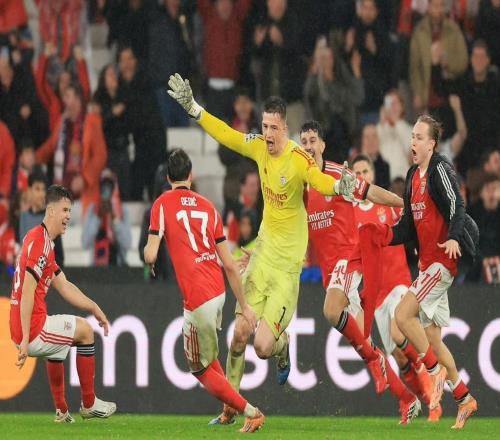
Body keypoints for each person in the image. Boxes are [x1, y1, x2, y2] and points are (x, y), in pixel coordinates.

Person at [167, 73, 357, 424]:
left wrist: (339, 187)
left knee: (263, 346)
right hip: (264, 256)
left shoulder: (298, 158)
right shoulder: (258, 147)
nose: (267, 134)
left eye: (273, 128)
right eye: (264, 126)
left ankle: (283, 349)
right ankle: (229, 409)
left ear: (285, 128)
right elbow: (227, 134)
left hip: (287, 268)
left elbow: (319, 181)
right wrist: (194, 109)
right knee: (239, 334)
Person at [299, 121, 422, 425]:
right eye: (304, 142)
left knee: (331, 311)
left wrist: (404, 203)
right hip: (330, 271)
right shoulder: (301, 185)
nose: (308, 146)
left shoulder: (337, 175)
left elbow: (371, 192)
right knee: (363, 342)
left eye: (313, 140)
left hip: (349, 258)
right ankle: (406, 398)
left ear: (322, 145)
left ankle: (391, 364)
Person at [143, 149, 264, 433]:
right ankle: (228, 411)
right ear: (191, 175)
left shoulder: (161, 204)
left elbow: (150, 253)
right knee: (209, 358)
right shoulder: (208, 207)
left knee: (199, 367)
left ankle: (251, 411)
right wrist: (245, 305)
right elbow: (230, 265)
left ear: (168, 177)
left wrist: (150, 259)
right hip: (217, 290)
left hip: (197, 296)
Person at [391, 115, 479, 429]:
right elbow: (407, 226)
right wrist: (383, 236)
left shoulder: (439, 169)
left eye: (419, 137)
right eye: (412, 136)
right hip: (427, 265)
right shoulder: (412, 175)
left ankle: (433, 371)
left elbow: (457, 204)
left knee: (402, 316)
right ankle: (464, 398)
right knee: (433, 340)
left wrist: (454, 237)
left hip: (442, 263)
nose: (412, 142)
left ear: (431, 144)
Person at [9, 185, 116, 422]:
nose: (68, 216)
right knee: (85, 331)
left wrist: (94, 307)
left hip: (22, 325)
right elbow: (27, 291)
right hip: (31, 329)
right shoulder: (41, 244)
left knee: (58, 348)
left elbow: (64, 285)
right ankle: (89, 403)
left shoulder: (37, 239)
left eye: (70, 211)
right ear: (51, 211)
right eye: (65, 210)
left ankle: (62, 410)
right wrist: (25, 339)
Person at [351, 153, 440, 422]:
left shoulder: (387, 202)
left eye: (365, 171)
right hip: (375, 295)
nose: (362, 176)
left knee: (398, 329)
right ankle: (426, 399)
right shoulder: (350, 212)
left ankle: (430, 386)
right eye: (357, 173)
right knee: (400, 358)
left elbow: (414, 224)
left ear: (372, 174)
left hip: (398, 282)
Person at [81, 169, 132, 267]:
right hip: (96, 266)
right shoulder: (92, 209)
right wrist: (98, 217)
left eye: (109, 186)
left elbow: (126, 244)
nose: (106, 189)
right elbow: (85, 243)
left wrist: (114, 218)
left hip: (118, 265)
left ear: (114, 187)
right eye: (103, 185)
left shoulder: (122, 210)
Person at [19, 170, 64, 267]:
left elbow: (59, 259)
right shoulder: (21, 219)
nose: (41, 194)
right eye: (37, 189)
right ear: (29, 191)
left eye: (43, 190)